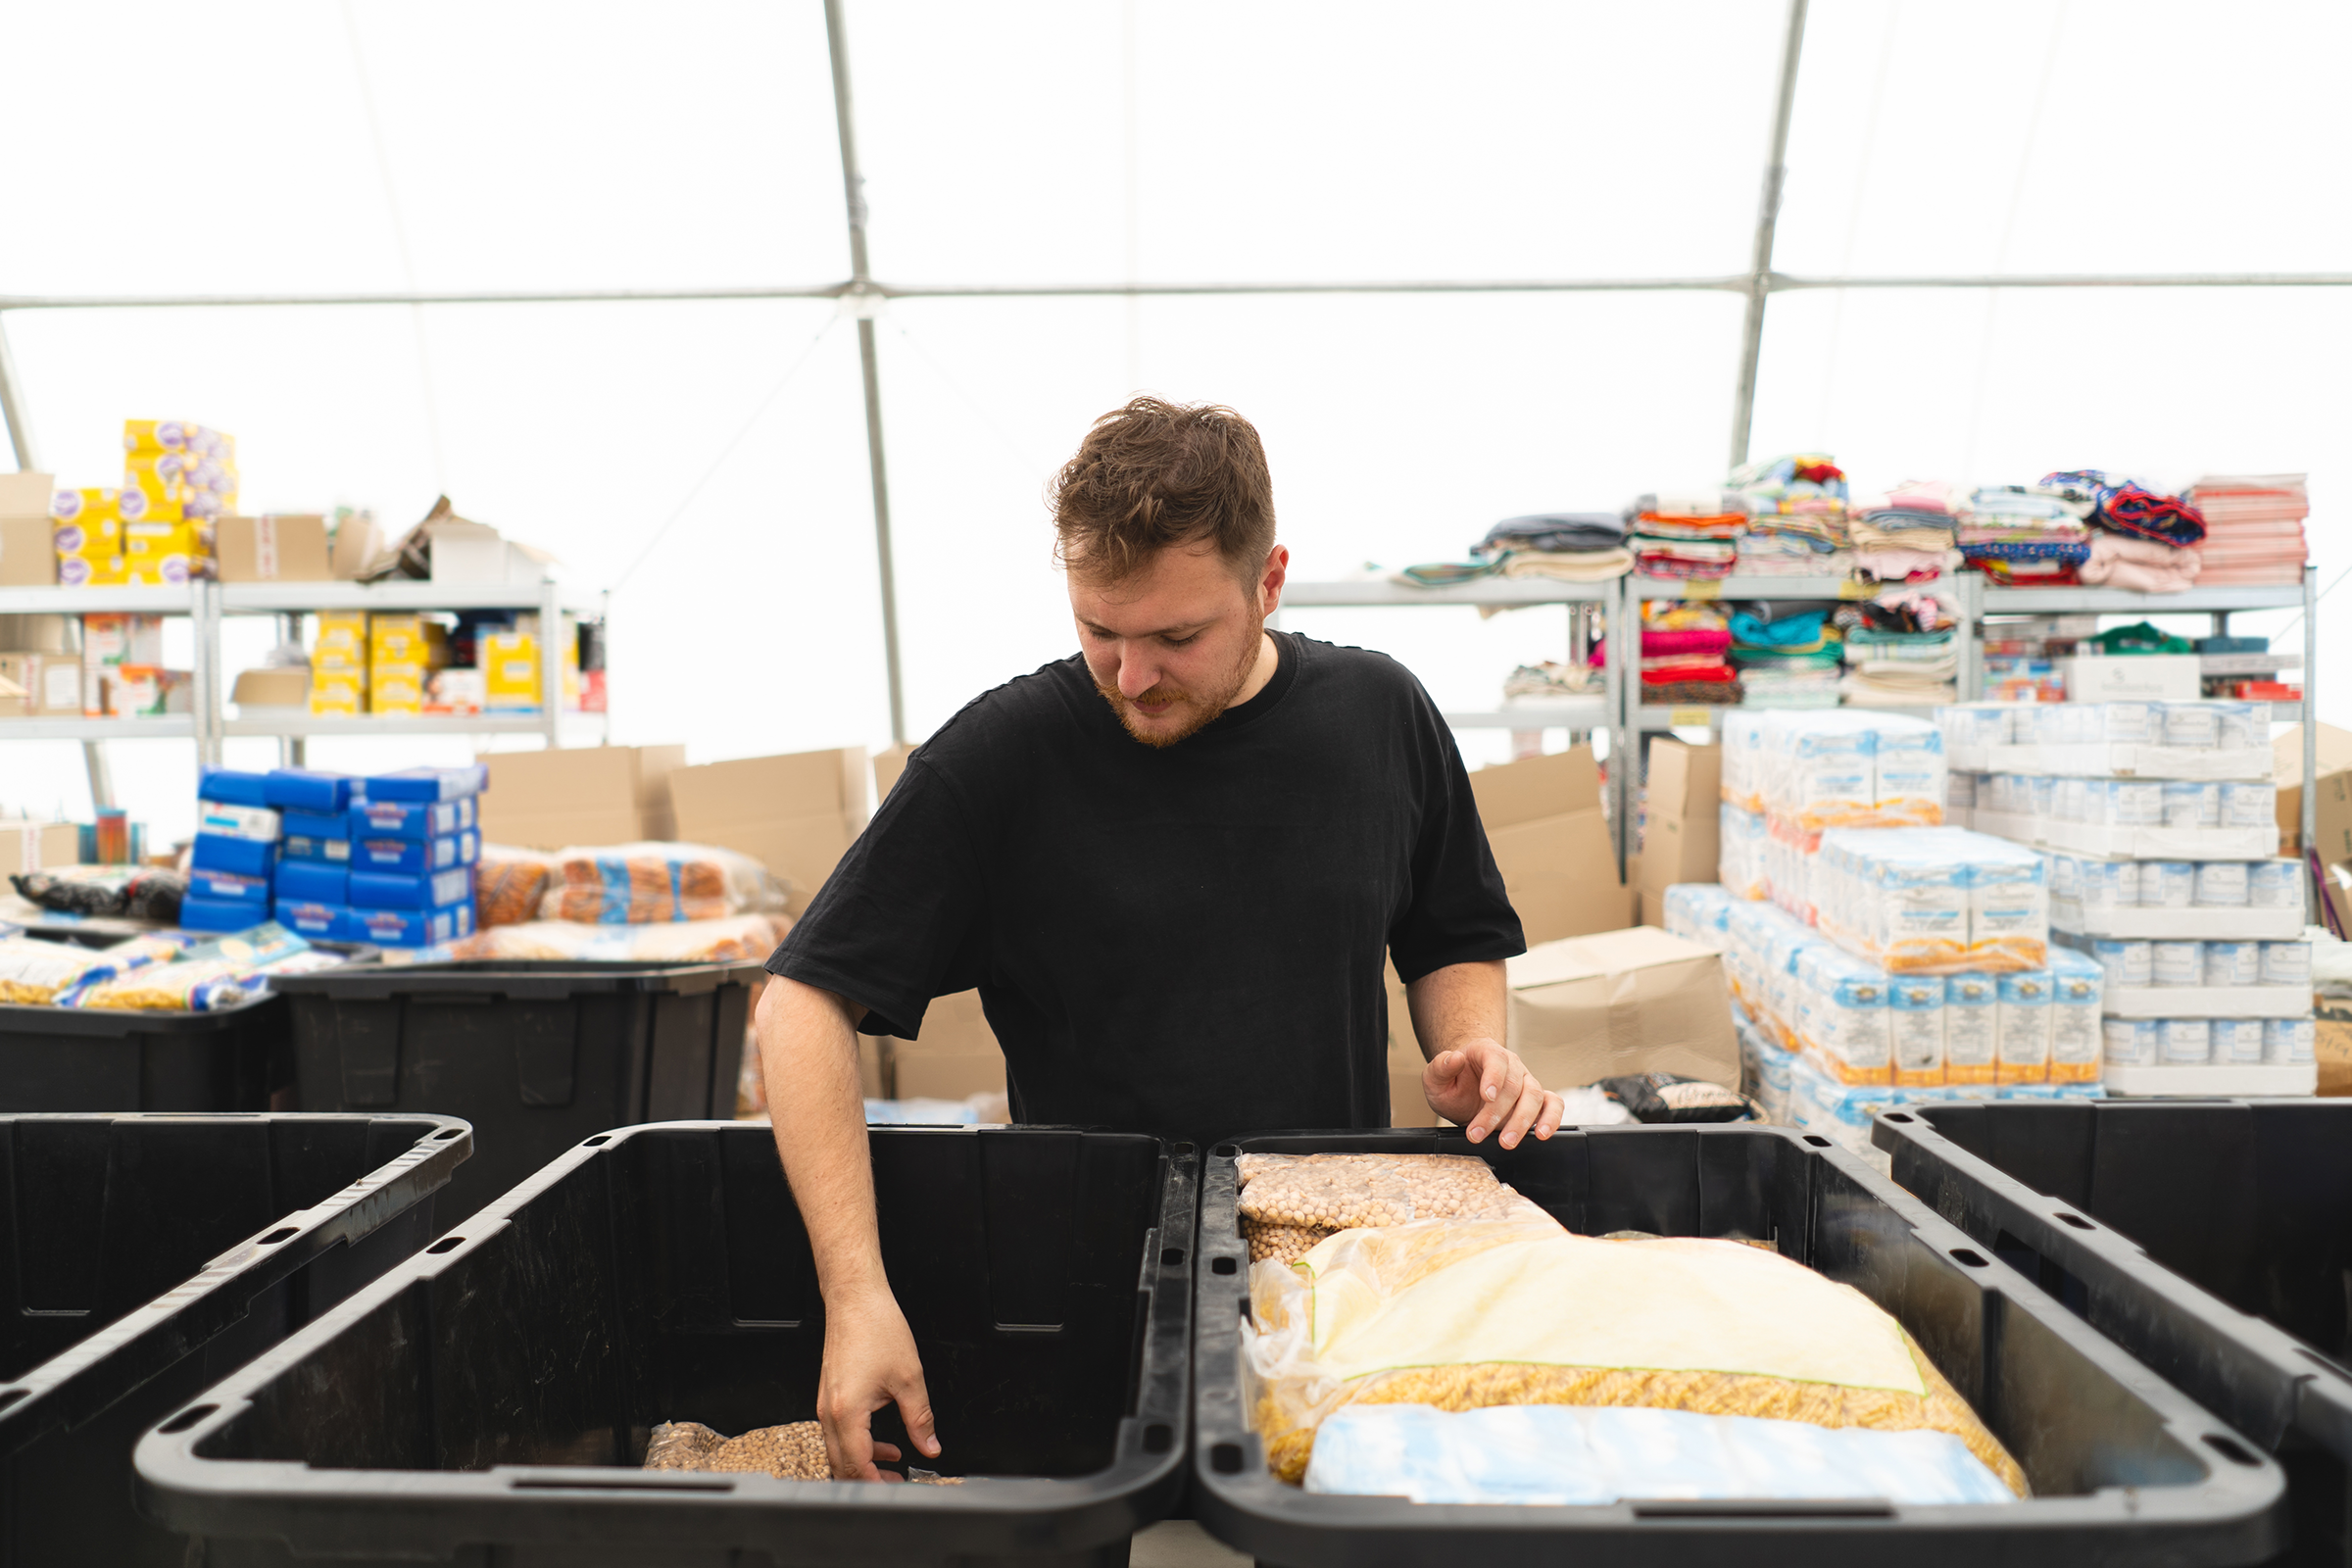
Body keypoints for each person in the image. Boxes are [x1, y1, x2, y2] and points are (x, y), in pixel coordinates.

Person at [757, 396, 1566, 1482]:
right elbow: (800, 1003)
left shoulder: (1380, 716)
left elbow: (1454, 927)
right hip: (1087, 1302)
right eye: (1099, 630)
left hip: (1330, 1292)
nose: (1131, 676)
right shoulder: (1007, 757)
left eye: (1177, 637)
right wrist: (856, 1295)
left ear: (1269, 583)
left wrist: (1470, 1048)